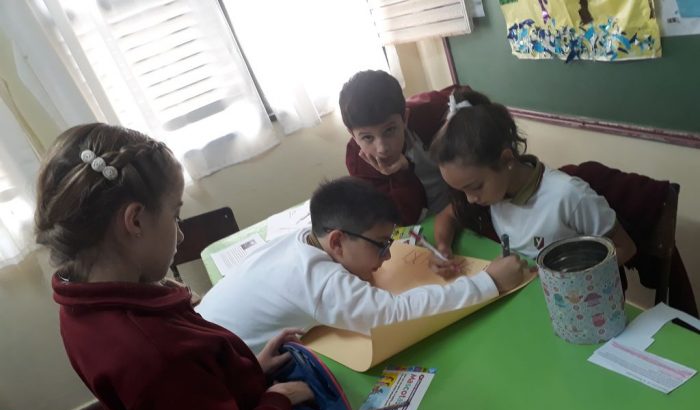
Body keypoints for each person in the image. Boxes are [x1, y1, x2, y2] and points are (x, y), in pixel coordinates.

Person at [35, 123, 314, 410]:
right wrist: (278, 400)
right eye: (175, 214)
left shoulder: (81, 300)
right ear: (135, 220)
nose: (180, 235)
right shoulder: (153, 355)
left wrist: (247, 370)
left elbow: (189, 401)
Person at [196, 177, 527, 354]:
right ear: (337, 242)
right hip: (217, 371)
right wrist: (489, 282)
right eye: (381, 244)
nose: (388, 256)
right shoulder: (320, 282)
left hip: (200, 331)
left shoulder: (299, 239)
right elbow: (397, 315)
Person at [429, 88, 636, 277]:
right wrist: (442, 247)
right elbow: (447, 215)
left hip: (575, 293)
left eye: (475, 187)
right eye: (462, 190)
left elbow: (625, 248)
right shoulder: (496, 192)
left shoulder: (569, 196)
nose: (470, 199)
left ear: (507, 160)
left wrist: (567, 277)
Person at [339, 70, 463, 262]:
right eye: (367, 138)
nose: (382, 148)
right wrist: (402, 176)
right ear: (352, 134)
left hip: (465, 204)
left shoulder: (429, 112)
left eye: (390, 130)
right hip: (427, 226)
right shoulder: (358, 161)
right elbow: (398, 221)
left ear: (405, 117)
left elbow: (464, 96)